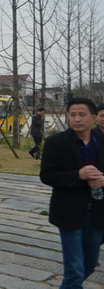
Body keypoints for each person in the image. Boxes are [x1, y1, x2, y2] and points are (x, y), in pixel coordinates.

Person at [40, 98, 104, 288]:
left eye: (82, 114)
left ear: (93, 118)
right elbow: (47, 176)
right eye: (72, 114)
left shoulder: (101, 142)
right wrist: (78, 175)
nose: (76, 119)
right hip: (69, 212)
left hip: (98, 212)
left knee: (90, 264)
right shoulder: (55, 143)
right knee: (74, 269)